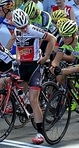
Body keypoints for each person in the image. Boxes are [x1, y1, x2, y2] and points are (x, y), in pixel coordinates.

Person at [12, 9, 56, 144]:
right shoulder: (16, 31)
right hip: (23, 66)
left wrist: (46, 57)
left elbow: (52, 39)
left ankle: (40, 133)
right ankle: (26, 107)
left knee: (33, 100)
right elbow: (19, 46)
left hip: (35, 66)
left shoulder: (33, 30)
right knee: (10, 84)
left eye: (25, 26)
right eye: (20, 27)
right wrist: (18, 57)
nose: (24, 29)